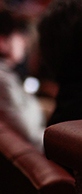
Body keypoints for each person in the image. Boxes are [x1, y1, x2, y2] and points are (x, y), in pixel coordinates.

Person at [0, 11, 45, 151]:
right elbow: (31, 134)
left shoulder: (7, 74)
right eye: (19, 36)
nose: (24, 44)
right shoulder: (2, 80)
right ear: (2, 41)